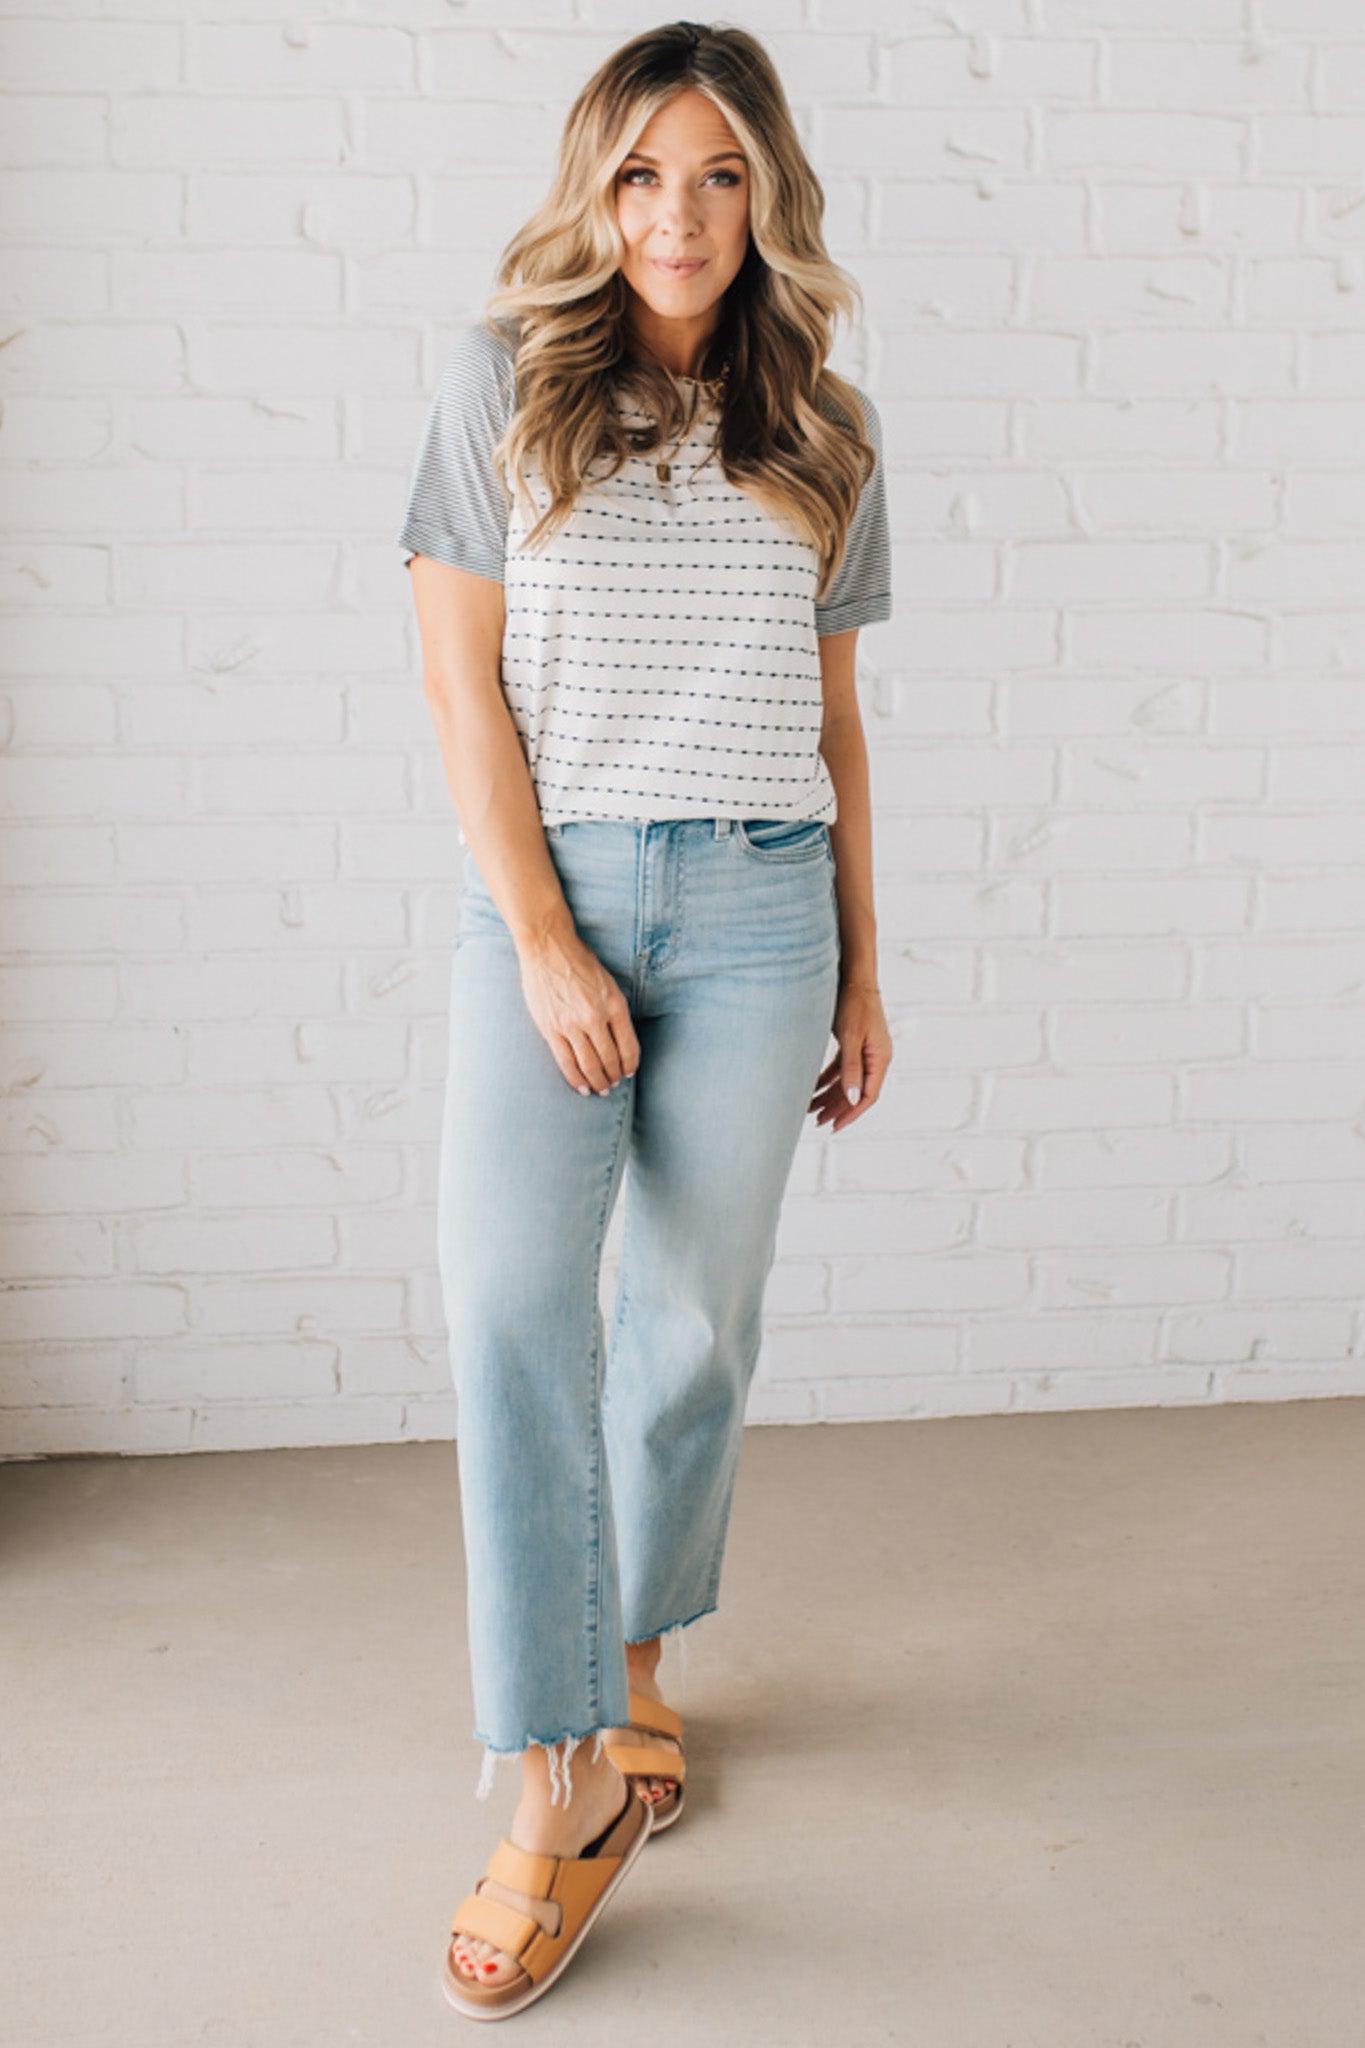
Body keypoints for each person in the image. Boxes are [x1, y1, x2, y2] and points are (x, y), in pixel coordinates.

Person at [397, 19, 893, 2021]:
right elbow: (456, 690)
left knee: (691, 1319)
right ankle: (545, 1787)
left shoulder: (824, 428)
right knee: (514, 1305)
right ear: (586, 190)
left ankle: (635, 1672)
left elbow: (840, 718)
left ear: (763, 193)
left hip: (767, 900)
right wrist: (539, 936)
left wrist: (863, 962)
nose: (677, 216)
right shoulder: (497, 388)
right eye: (637, 174)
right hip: (564, 893)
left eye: (715, 175)